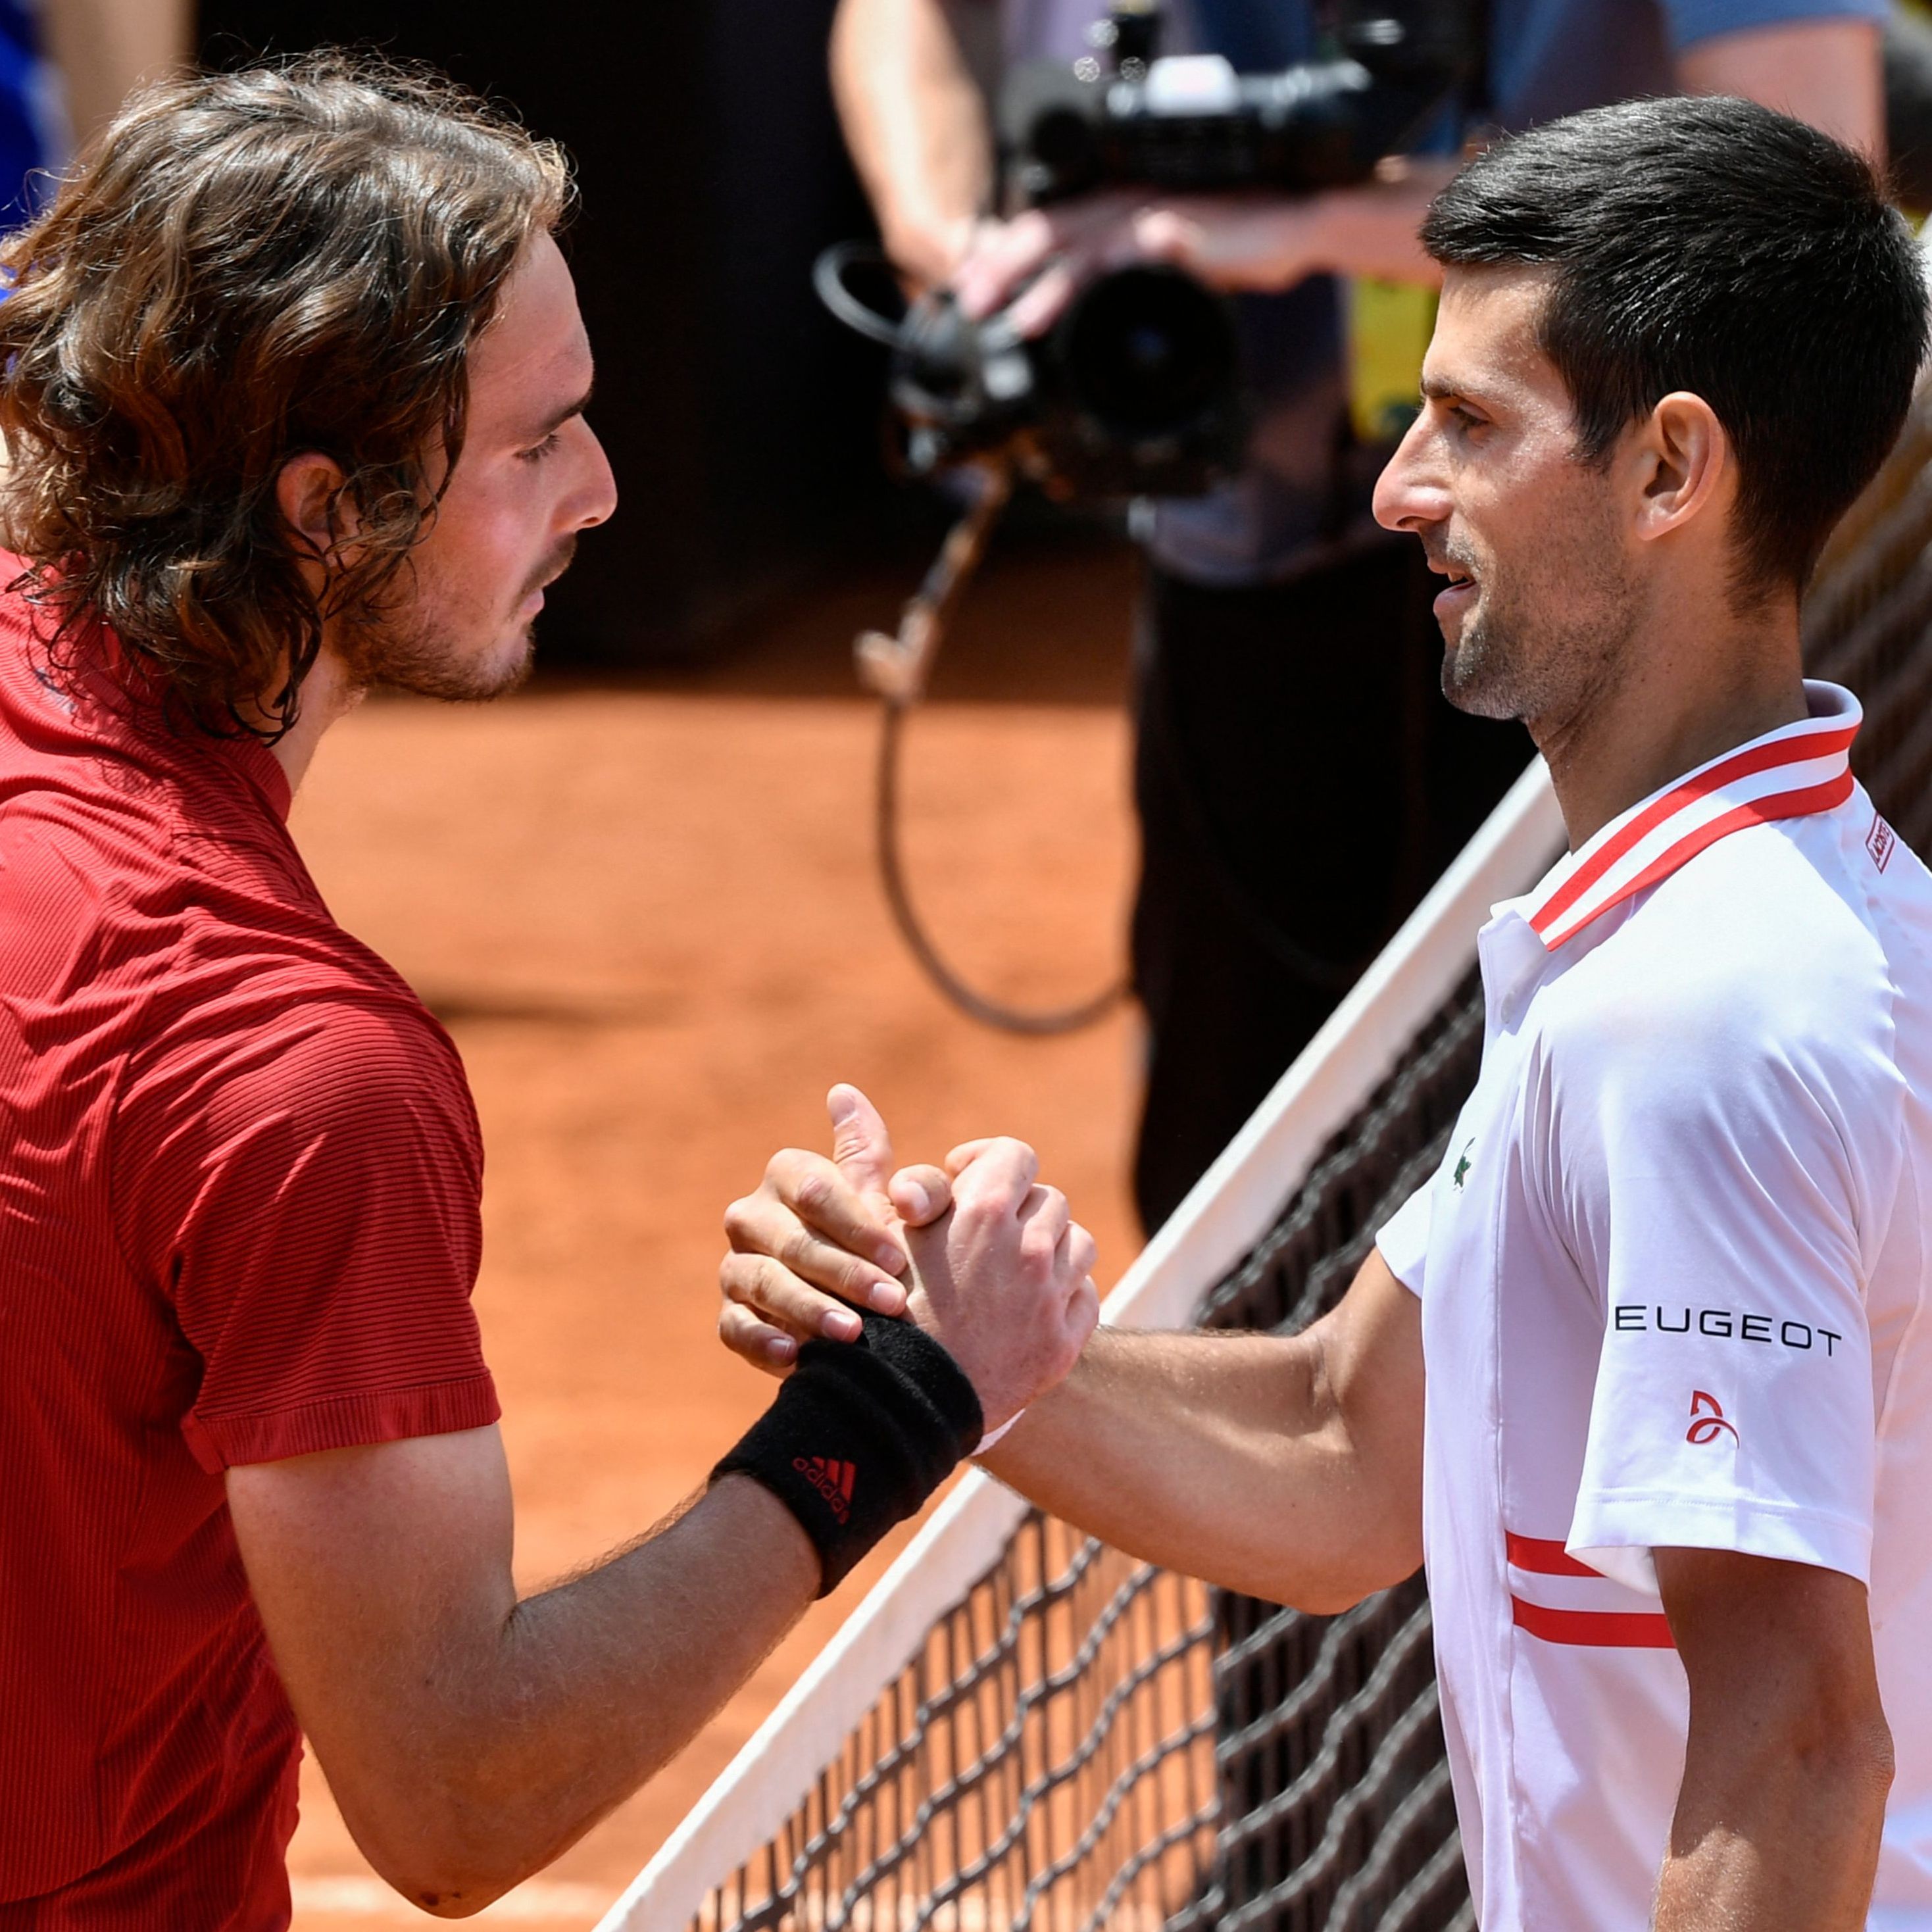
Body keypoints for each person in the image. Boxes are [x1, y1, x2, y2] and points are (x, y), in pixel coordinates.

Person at [719, 95, 1932, 1928]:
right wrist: (933, 1343)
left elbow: (1795, 1746)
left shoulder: (1712, 1014)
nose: (1396, 487)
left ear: (1672, 471)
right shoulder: (1694, 937)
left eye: (1469, 424)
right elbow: (1346, 1450)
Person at [0, 55, 1098, 1921]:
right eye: (533, 444)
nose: (599, 490)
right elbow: (450, 1791)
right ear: (327, 511)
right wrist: (898, 1403)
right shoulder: (292, 1076)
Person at [832, 0, 1887, 1233]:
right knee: (1225, 1144)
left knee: (1572, 1149)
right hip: (1234, 542)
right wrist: (962, 254)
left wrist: (1298, 229)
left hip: (1601, 590)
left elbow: (1812, 194)